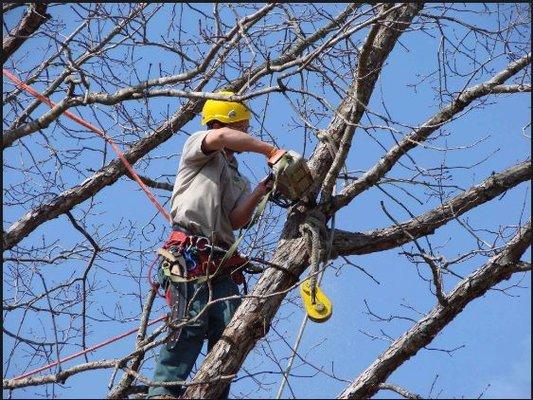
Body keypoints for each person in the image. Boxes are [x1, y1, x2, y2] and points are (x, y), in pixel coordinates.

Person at [147, 91, 283, 399]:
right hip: (188, 254)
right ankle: (163, 392)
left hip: (220, 262)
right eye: (242, 129)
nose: (244, 135)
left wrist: (262, 189)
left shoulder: (238, 177)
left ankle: (214, 393)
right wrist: (270, 150)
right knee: (190, 324)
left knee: (231, 331)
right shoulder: (200, 146)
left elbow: (235, 219)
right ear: (228, 121)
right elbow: (220, 136)